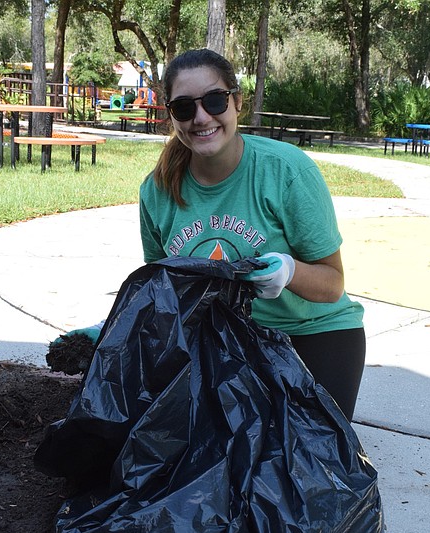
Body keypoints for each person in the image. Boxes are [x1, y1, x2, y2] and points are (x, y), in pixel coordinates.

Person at [137, 48, 366, 420]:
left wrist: (290, 271)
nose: (201, 117)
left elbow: (332, 285)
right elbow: (162, 291)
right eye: (184, 107)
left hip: (312, 333)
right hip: (221, 339)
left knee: (306, 448)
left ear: (237, 101)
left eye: (215, 100)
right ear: (171, 114)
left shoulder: (286, 171)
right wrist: (110, 329)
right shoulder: (157, 191)